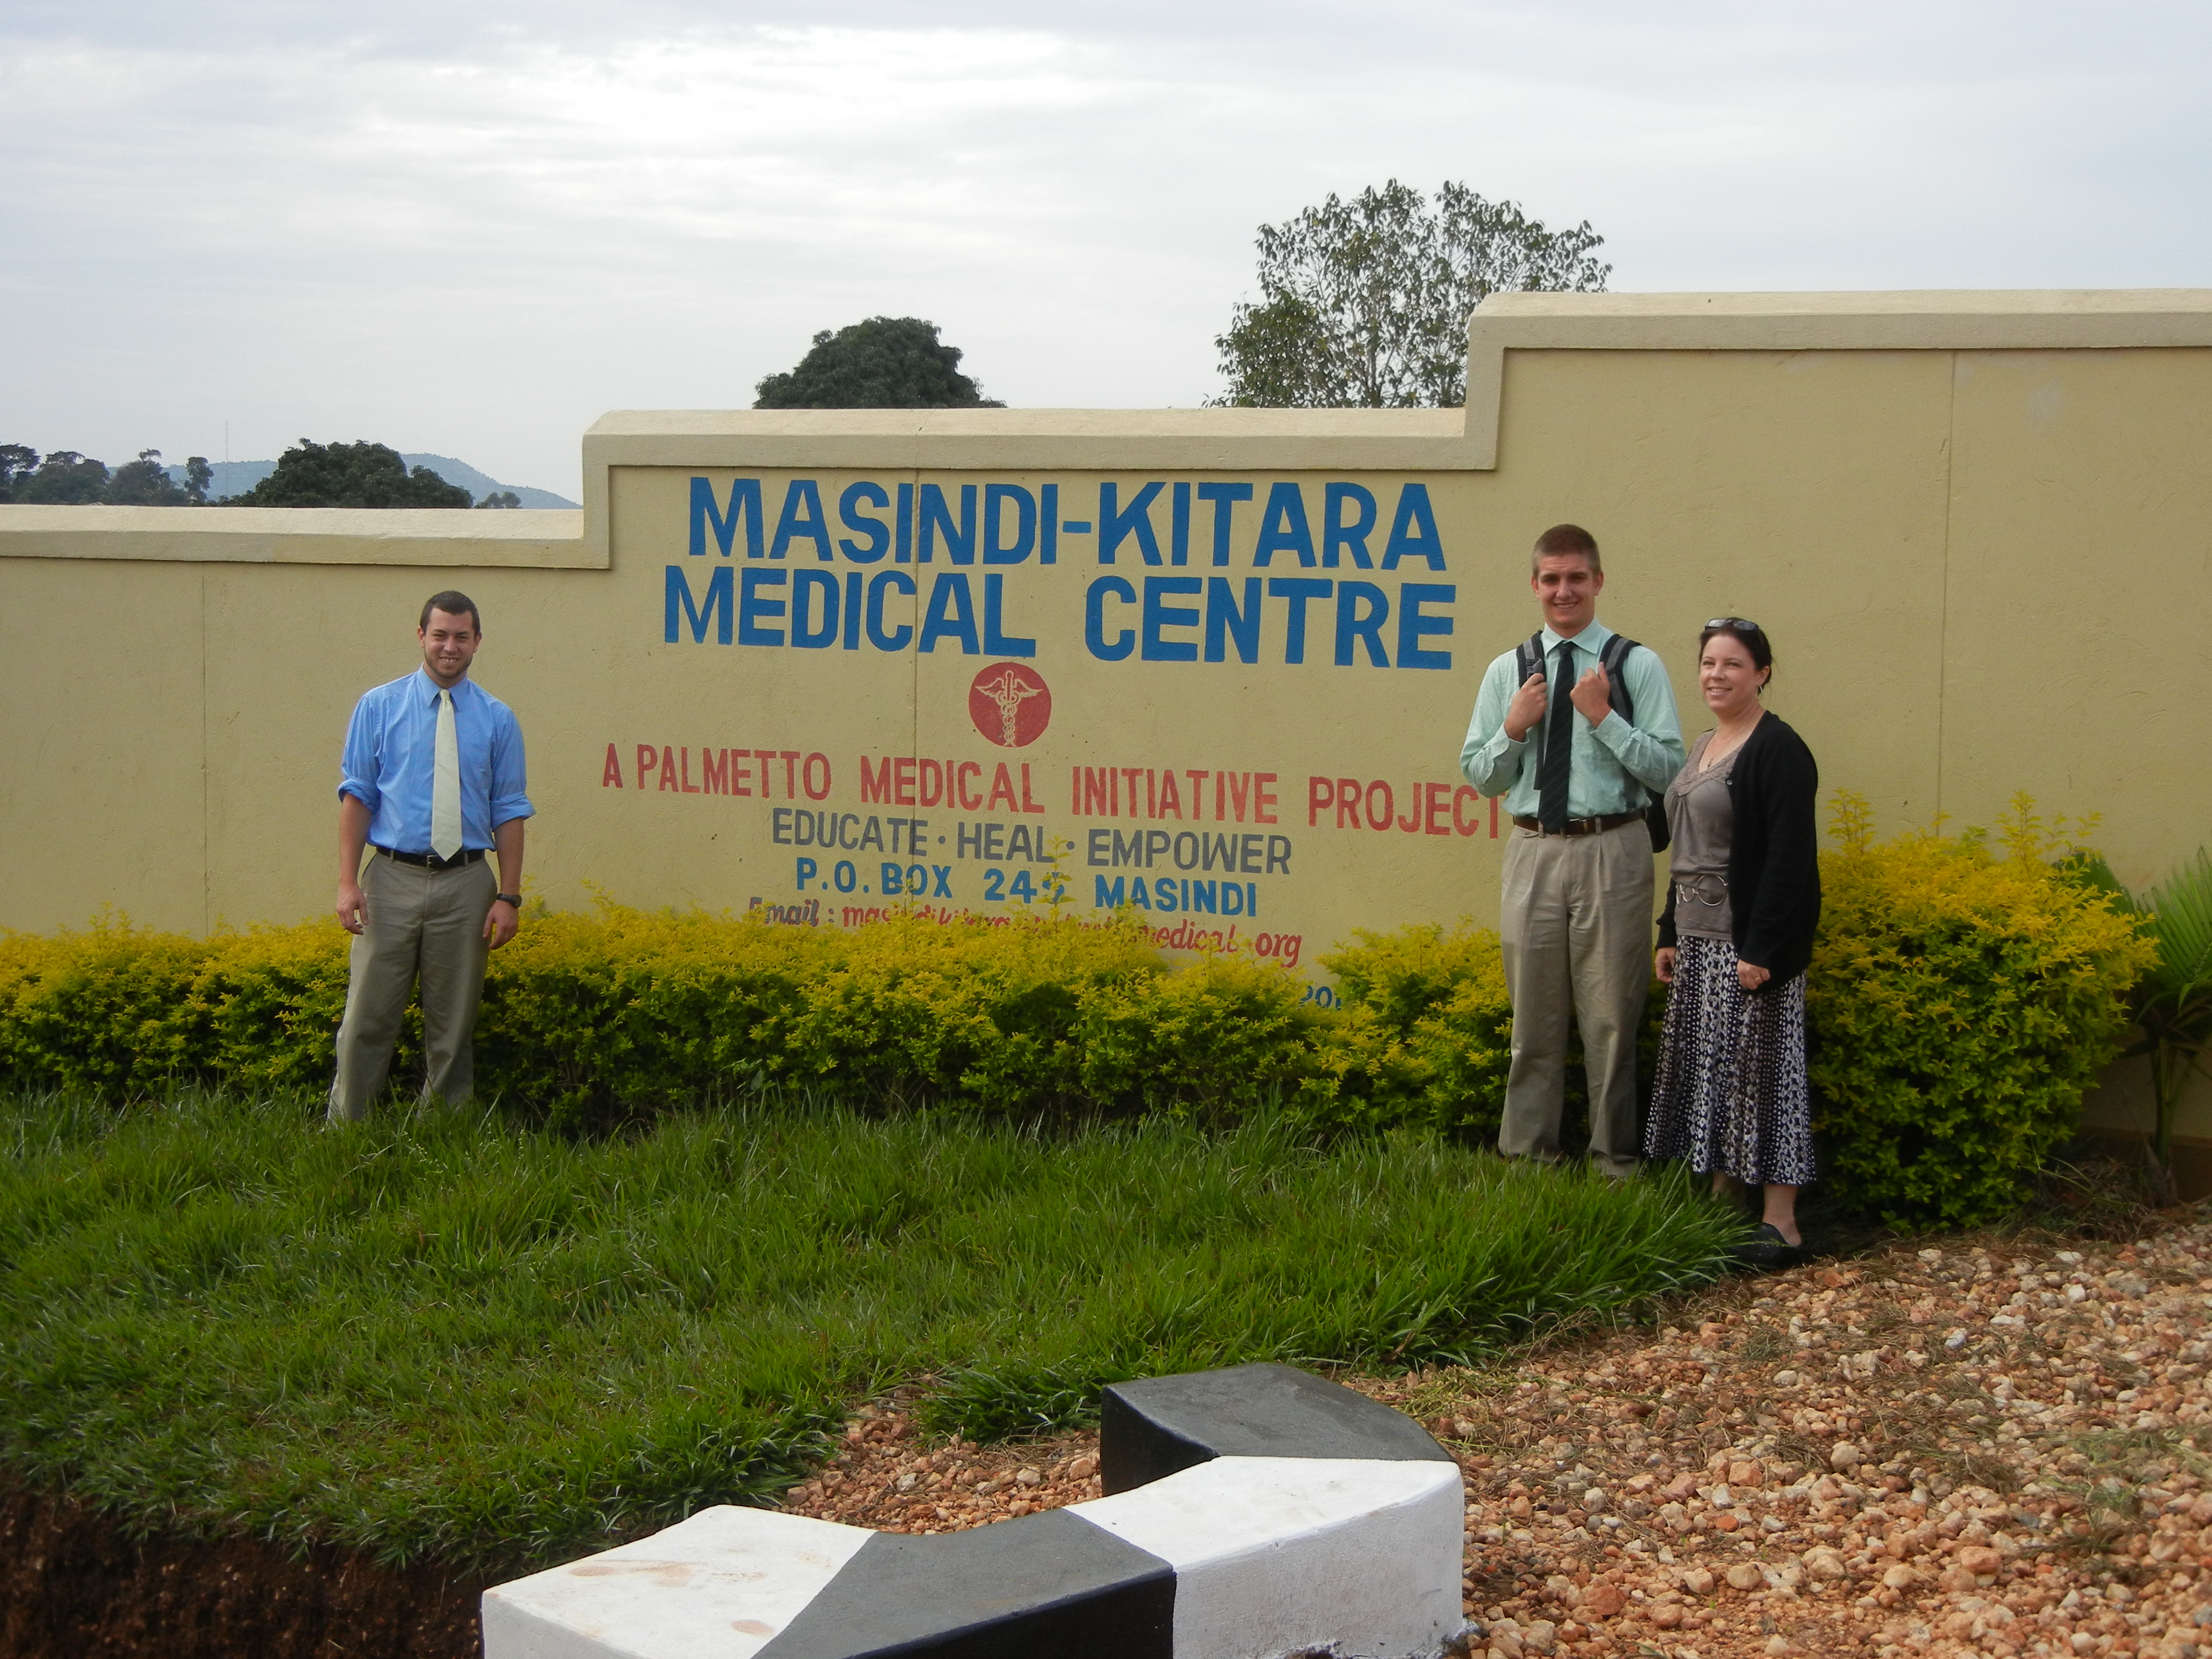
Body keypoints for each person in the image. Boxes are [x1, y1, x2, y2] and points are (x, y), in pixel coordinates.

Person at [1460, 524, 1685, 1175]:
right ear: (1535, 585)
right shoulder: (1507, 670)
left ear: (1598, 581)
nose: (1564, 591)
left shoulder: (1634, 665)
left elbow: (1669, 770)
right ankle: (1528, 1158)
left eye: (1576, 578)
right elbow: (1481, 777)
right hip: (1532, 850)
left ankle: (1614, 1162)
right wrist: (1512, 728)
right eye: (1552, 579)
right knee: (1532, 1020)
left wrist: (1604, 718)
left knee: (1611, 1019)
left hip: (1612, 848)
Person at [1645, 618, 1820, 1257]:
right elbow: (1687, 851)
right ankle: (1724, 1205)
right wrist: (1669, 930)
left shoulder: (1778, 749)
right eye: (1708, 663)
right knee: (1715, 1075)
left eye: (1733, 664)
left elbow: (1787, 859)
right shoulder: (1702, 745)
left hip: (1747, 947)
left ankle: (1781, 1223)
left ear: (1762, 673)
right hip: (1698, 942)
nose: (1716, 675)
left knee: (1764, 1078)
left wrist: (1761, 949)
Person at [328, 591, 532, 1122]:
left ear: (477, 642)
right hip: (390, 879)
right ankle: (348, 1128)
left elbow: (510, 809)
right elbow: (358, 796)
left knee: (453, 1024)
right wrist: (348, 884)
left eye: (461, 637)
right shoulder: (379, 707)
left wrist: (509, 896)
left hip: (466, 884)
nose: (449, 647)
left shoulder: (499, 719)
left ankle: (443, 1130)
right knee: (367, 1017)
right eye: (440, 635)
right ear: (421, 636)